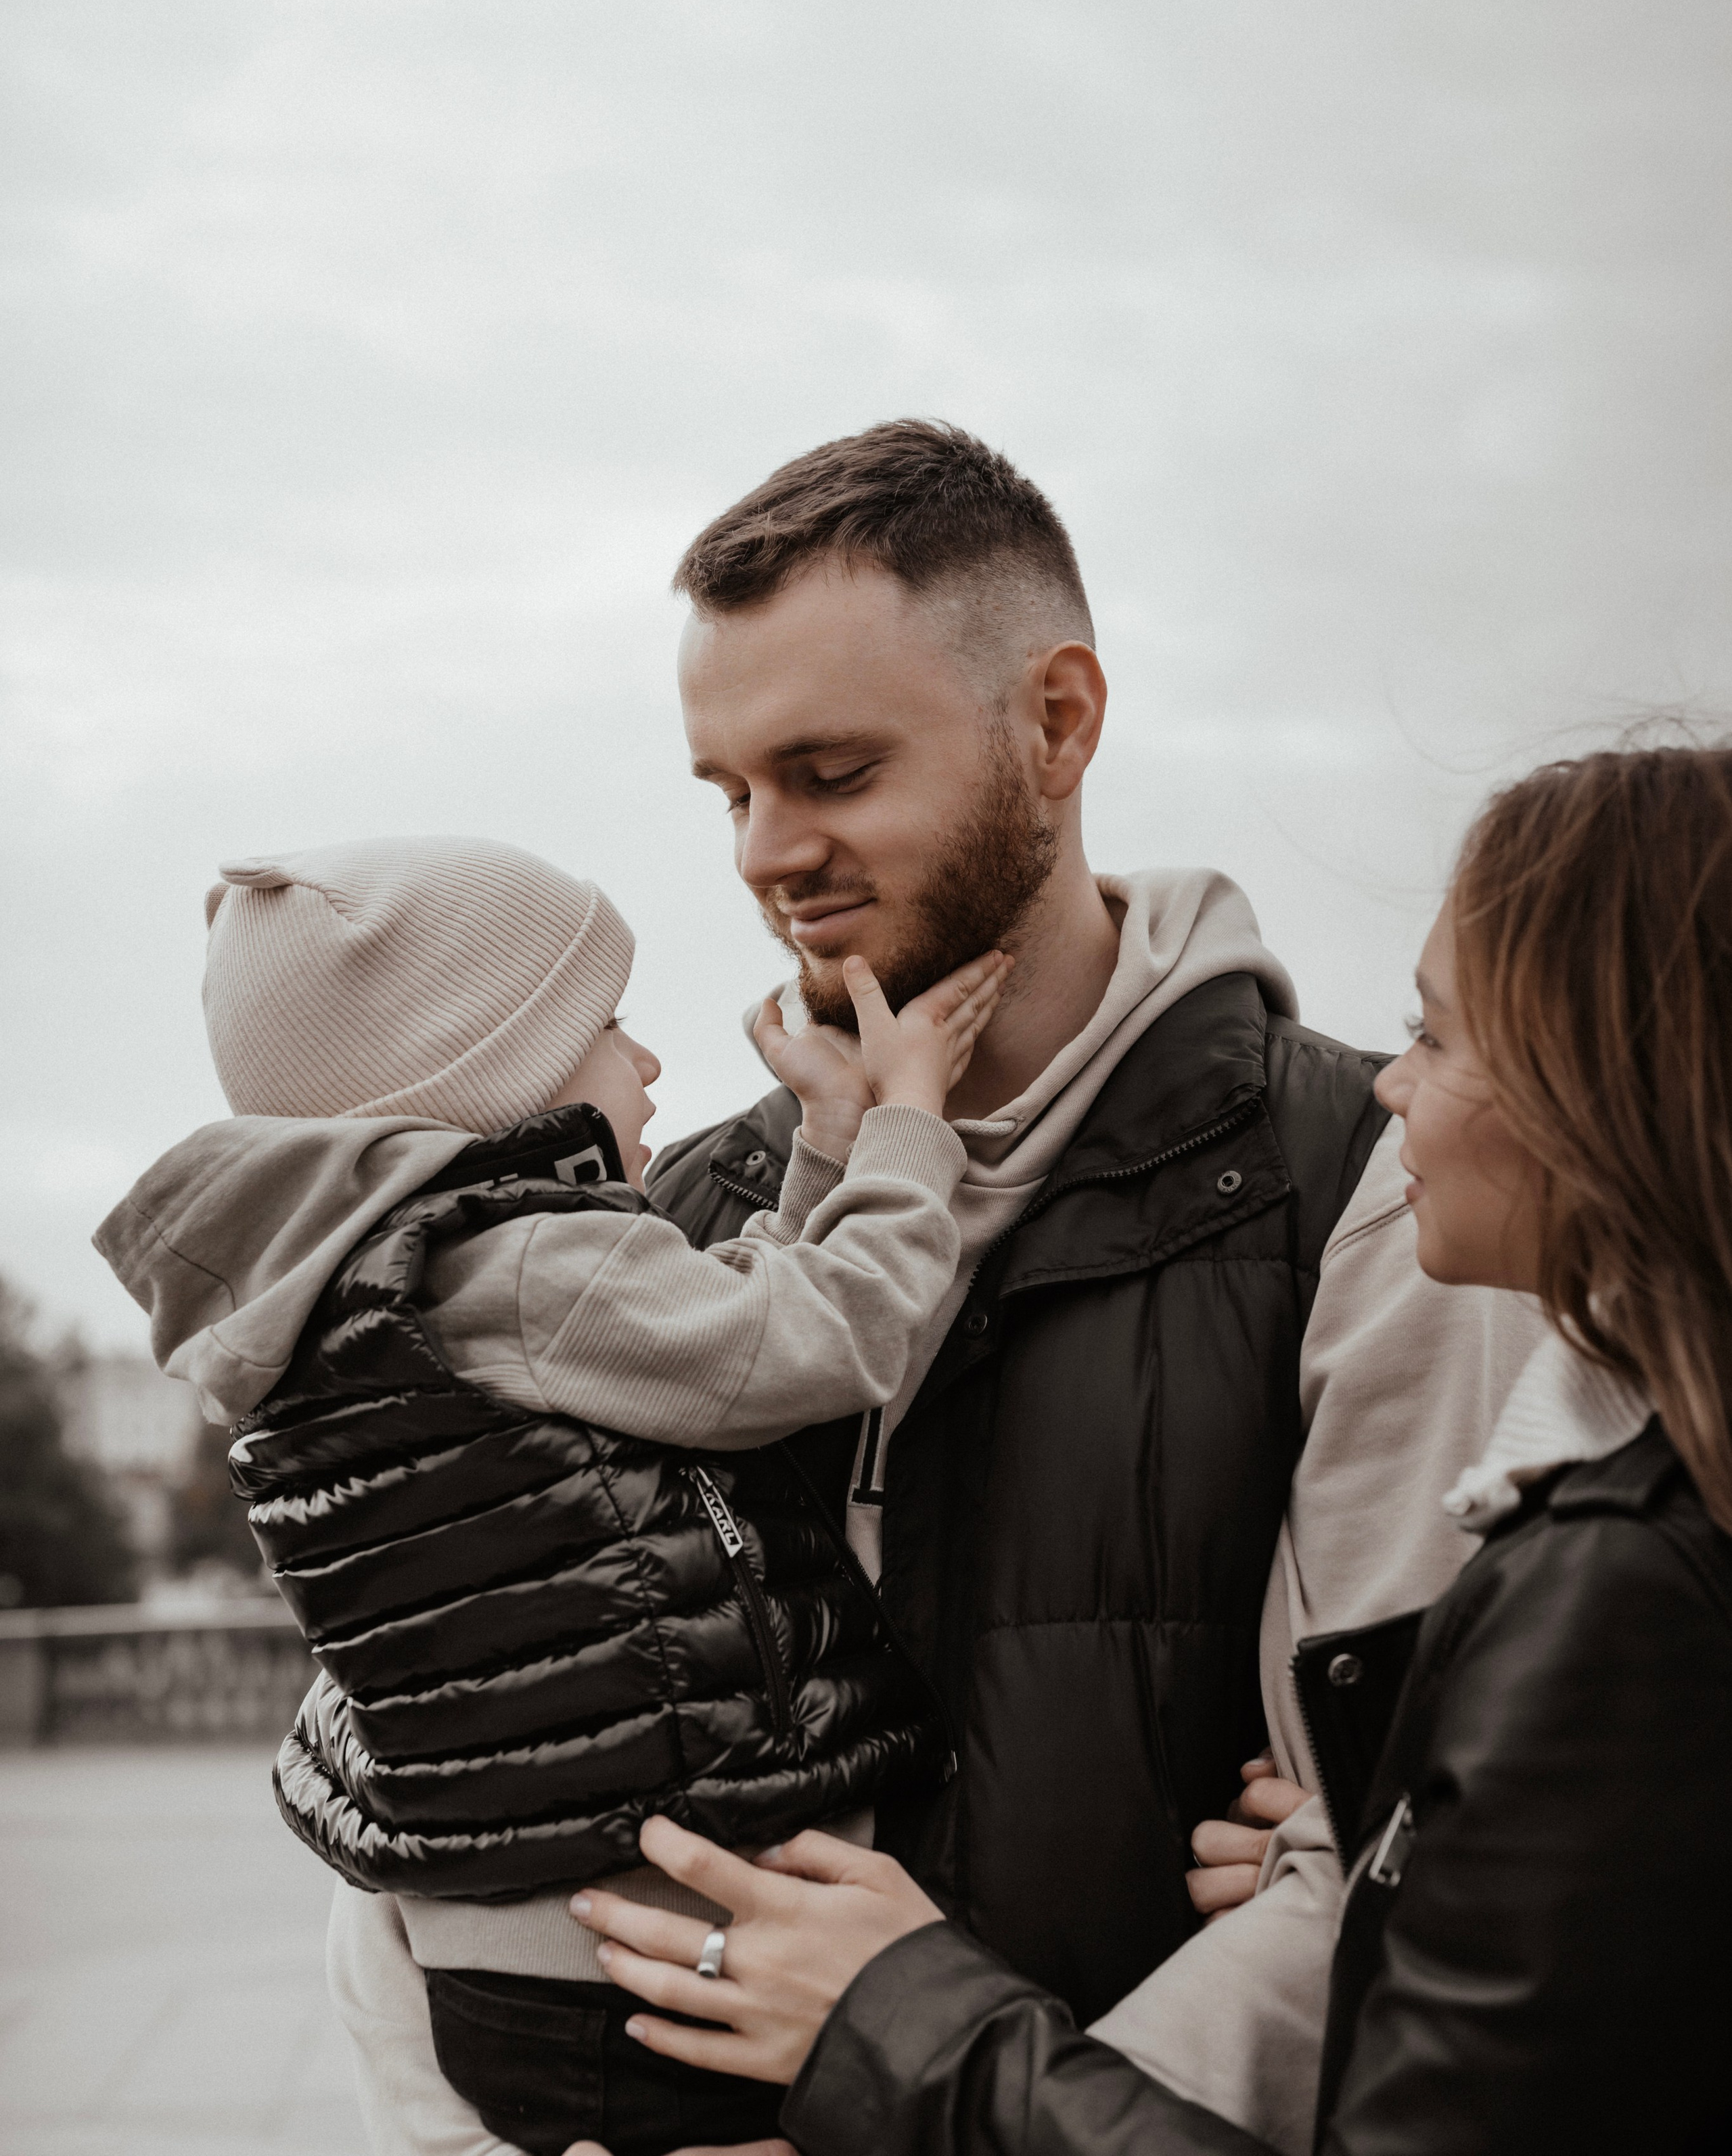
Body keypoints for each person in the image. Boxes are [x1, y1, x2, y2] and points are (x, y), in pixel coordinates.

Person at [570, 741, 1732, 2156]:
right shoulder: (1613, 1535)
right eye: (730, 793)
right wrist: (1370, 1869)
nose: (1391, 1088)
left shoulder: (1621, 1585)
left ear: (1610, 1085)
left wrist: (896, 2017)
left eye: (1436, 1034)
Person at [635, 419, 1536, 2126]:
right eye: (731, 793)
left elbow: (1386, 1878)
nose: (762, 853)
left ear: (1055, 724)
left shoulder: (1372, 1183)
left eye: (830, 776)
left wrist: (927, 2095)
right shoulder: (686, 1220)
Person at [94, 832, 1011, 2156]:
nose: (645, 1064)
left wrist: (815, 1147)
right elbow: (818, 1342)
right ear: (485, 1076)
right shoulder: (530, 1266)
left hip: (499, 1965)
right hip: (648, 1962)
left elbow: (715, 1343)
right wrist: (906, 1128)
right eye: (610, 1023)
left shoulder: (370, 1296)